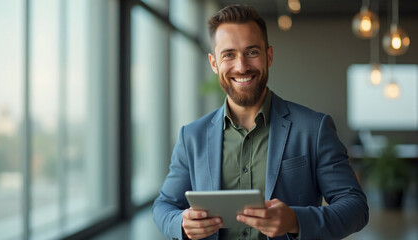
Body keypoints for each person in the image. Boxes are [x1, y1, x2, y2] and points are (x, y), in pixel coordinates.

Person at [152, 4, 369, 240]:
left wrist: (296, 221)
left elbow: (356, 207)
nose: (242, 66)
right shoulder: (191, 136)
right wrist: (180, 224)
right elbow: (163, 206)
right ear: (214, 63)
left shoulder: (314, 129)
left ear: (269, 56)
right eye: (229, 55)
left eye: (252, 52)